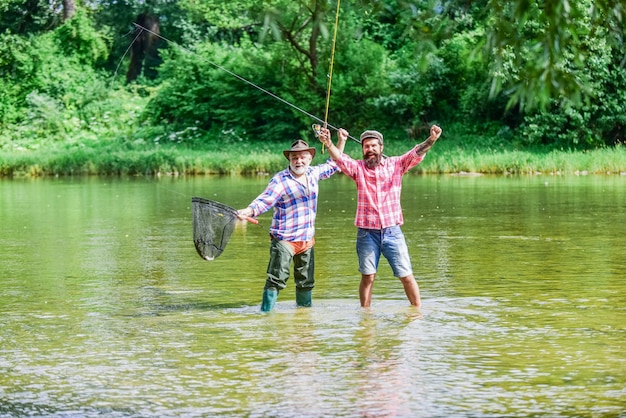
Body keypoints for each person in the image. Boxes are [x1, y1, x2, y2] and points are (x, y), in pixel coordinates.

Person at [317, 125, 442, 308]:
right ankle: (365, 316)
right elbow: (339, 158)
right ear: (363, 150)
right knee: (368, 276)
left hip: (392, 231)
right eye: (366, 147)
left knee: (406, 275)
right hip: (367, 233)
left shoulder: (396, 165)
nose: (370, 150)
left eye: (374, 146)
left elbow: (416, 152)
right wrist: (328, 142)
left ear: (381, 147)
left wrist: (431, 139)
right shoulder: (358, 168)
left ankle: (417, 313)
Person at [237, 136, 345, 312]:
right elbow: (265, 200)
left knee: (306, 282)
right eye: (295, 157)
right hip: (284, 240)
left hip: (306, 241)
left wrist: (341, 141)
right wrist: (248, 211)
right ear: (289, 159)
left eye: (303, 157)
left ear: (310, 159)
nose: (299, 161)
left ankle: (303, 317)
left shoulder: (313, 173)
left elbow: (336, 163)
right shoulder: (280, 180)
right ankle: (265, 315)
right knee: (276, 279)